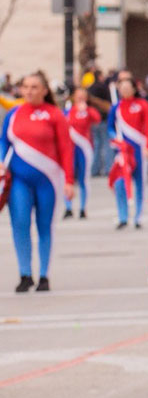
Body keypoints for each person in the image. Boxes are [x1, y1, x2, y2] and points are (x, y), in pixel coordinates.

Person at [0, 72, 74, 292]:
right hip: (19, 180)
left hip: (48, 181)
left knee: (44, 227)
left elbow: (66, 149)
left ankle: (44, 275)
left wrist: (69, 180)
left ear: (44, 90)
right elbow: (3, 141)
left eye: (34, 87)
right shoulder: (13, 114)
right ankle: (25, 274)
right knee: (20, 225)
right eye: (26, 87)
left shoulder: (55, 115)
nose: (29, 91)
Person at [107, 72, 148, 229]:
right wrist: (116, 140)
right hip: (123, 152)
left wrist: (147, 146)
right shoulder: (116, 108)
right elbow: (110, 128)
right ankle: (123, 216)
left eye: (128, 86)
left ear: (134, 88)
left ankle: (138, 217)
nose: (125, 89)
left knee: (140, 183)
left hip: (139, 150)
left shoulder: (143, 104)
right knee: (120, 183)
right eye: (122, 87)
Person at [64, 86, 100, 219]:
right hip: (70, 148)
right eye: (78, 95)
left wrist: (87, 111)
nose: (80, 98)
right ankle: (68, 207)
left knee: (83, 178)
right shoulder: (68, 111)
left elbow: (97, 119)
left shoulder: (89, 110)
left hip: (84, 149)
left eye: (83, 96)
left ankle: (83, 208)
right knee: (68, 176)